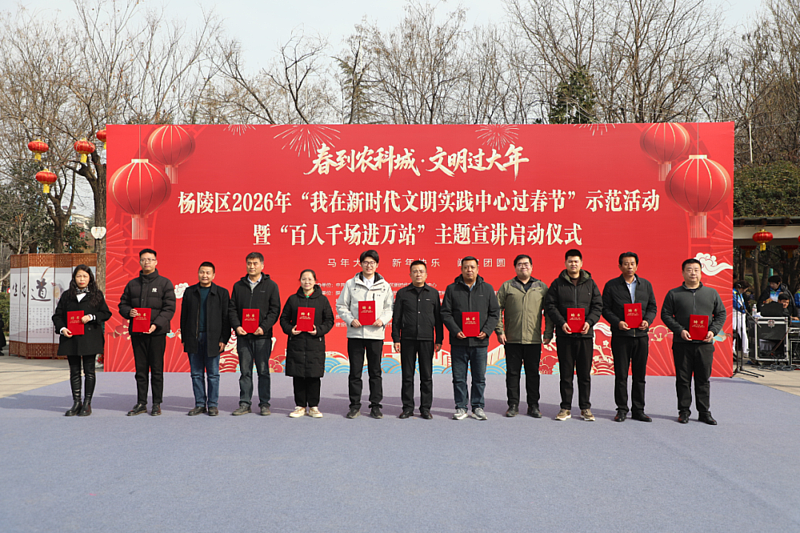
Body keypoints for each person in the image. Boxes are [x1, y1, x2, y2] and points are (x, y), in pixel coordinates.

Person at [661, 258, 726, 425]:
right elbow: (666, 315)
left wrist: (713, 331)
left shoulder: (711, 293)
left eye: (696, 270)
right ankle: (684, 411)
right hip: (682, 344)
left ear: (701, 272)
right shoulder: (674, 293)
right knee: (683, 379)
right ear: (683, 272)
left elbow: (721, 314)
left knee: (703, 379)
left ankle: (704, 412)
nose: (693, 273)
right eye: (689, 270)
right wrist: (680, 330)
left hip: (704, 344)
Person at [545, 249, 603, 422]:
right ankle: (565, 408)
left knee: (584, 374)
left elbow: (597, 306)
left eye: (576, 261)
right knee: (566, 374)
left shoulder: (590, 284)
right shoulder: (557, 284)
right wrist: (562, 323)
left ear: (581, 263)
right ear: (565, 263)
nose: (573, 264)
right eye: (570, 261)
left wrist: (589, 322)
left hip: (585, 336)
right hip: (565, 336)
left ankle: (585, 408)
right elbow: (550, 305)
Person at [336, 249, 394, 419]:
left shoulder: (384, 285)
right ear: (360, 264)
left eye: (372, 263)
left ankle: (375, 406)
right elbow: (341, 305)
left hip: (375, 334)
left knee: (375, 372)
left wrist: (382, 320)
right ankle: (354, 406)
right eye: (366, 262)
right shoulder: (350, 284)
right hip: (355, 334)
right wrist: (350, 320)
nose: (369, 265)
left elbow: (390, 307)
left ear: (377, 265)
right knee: (355, 372)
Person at [441, 256, 500, 421]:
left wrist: (486, 331)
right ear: (461, 269)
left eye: (472, 267)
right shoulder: (452, 289)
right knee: (459, 378)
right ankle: (461, 407)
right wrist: (456, 331)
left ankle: (478, 407)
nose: (469, 270)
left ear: (478, 269)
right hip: (459, 342)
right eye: (466, 267)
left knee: (479, 378)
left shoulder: (487, 289)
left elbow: (495, 313)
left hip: (480, 342)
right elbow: (445, 313)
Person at [495, 254, 554, 418]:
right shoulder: (507, 286)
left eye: (526, 264)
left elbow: (549, 312)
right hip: (512, 338)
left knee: (533, 374)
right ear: (515, 267)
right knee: (512, 374)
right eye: (520, 264)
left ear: (532, 267)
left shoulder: (541, 287)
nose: (523, 267)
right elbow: (497, 309)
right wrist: (499, 331)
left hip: (533, 339)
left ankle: (533, 405)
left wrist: (548, 332)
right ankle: (513, 405)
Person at [601, 252, 658, 423]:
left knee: (639, 376)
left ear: (637, 266)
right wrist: (617, 322)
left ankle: (638, 410)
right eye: (626, 264)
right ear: (620, 266)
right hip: (621, 336)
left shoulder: (645, 285)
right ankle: (621, 409)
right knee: (621, 375)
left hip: (641, 336)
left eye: (632, 263)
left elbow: (652, 307)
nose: (629, 266)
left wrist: (647, 320)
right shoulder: (612, 285)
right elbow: (605, 309)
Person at [119, 248, 176, 416]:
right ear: (140, 262)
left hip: (157, 333)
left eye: (150, 259)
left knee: (157, 369)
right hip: (137, 333)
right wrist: (128, 312)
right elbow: (122, 304)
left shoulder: (165, 283)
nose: (147, 262)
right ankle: (141, 403)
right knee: (140, 370)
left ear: (156, 262)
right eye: (144, 259)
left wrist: (156, 324)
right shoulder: (132, 284)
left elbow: (169, 308)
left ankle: (157, 403)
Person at [52, 265, 111, 417]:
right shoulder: (67, 295)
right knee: (74, 371)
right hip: (71, 338)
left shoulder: (96, 294)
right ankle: (76, 402)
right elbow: (57, 316)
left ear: (90, 278)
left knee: (89, 371)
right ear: (74, 278)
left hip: (90, 338)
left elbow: (106, 313)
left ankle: (87, 403)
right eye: (79, 276)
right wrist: (62, 328)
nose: (82, 279)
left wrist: (91, 317)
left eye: (85, 276)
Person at [228, 252, 281, 416]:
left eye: (255, 263)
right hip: (243, 336)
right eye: (249, 263)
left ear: (262, 265)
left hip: (262, 337)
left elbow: (275, 310)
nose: (252, 266)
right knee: (245, 372)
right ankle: (245, 403)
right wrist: (237, 326)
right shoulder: (238, 286)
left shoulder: (271, 286)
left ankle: (264, 403)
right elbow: (232, 309)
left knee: (263, 371)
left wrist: (263, 327)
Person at [391, 260, 443, 420]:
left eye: (421, 271)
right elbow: (396, 318)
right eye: (415, 271)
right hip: (407, 339)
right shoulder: (403, 293)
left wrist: (439, 339)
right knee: (407, 375)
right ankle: (407, 408)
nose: (418, 274)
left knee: (426, 376)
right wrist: (396, 338)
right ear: (410, 274)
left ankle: (425, 408)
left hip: (427, 339)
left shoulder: (433, 293)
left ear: (426, 274)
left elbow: (438, 318)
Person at [279, 269, 335, 418]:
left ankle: (314, 407)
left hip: (315, 343)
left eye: (310, 279)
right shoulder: (293, 299)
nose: (307, 282)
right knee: (298, 375)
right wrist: (291, 330)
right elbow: (283, 319)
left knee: (313, 375)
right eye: (304, 279)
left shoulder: (322, 300)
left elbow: (330, 320)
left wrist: (319, 330)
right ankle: (300, 406)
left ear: (315, 281)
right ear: (300, 281)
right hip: (296, 343)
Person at [179, 262, 231, 417]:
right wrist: (185, 337)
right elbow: (184, 316)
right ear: (198, 273)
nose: (205, 275)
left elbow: (226, 318)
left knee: (213, 374)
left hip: (213, 338)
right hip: (193, 337)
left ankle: (213, 405)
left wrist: (223, 339)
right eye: (202, 272)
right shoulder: (190, 292)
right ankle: (200, 404)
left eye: (208, 273)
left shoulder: (221, 293)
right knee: (196, 374)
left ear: (213, 275)